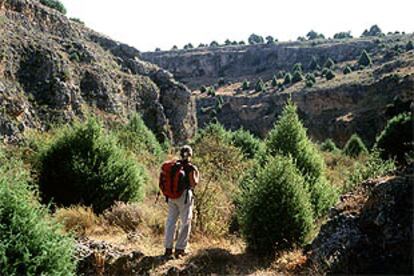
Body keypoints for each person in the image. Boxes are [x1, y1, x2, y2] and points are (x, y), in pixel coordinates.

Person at [160, 145, 199, 258]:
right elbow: (193, 184)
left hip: (171, 197)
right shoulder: (190, 167)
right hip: (184, 196)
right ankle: (180, 249)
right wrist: (197, 174)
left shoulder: (174, 166)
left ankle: (168, 249)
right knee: (185, 221)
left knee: (171, 221)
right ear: (190, 155)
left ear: (180, 154)